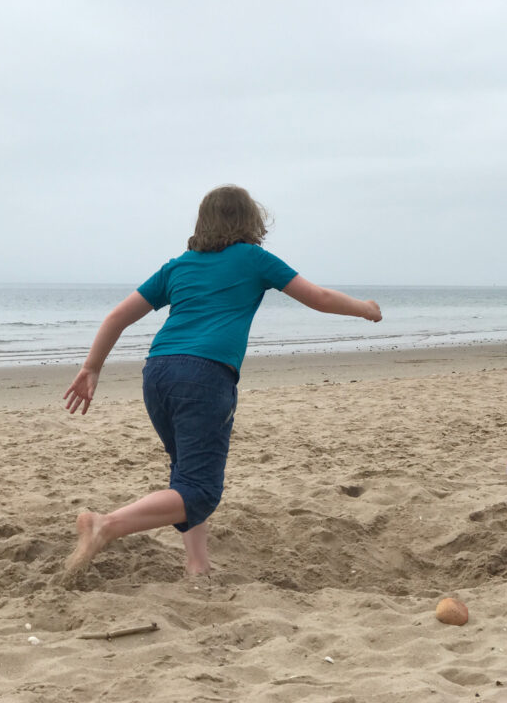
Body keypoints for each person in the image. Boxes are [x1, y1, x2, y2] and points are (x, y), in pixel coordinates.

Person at [62, 184, 382, 576]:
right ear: (251, 222)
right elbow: (318, 297)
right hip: (204, 375)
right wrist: (365, 309)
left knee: (185, 472)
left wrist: (92, 367)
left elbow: (117, 317)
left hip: (158, 371)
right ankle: (105, 525)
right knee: (200, 490)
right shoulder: (252, 258)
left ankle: (198, 564)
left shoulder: (179, 266)